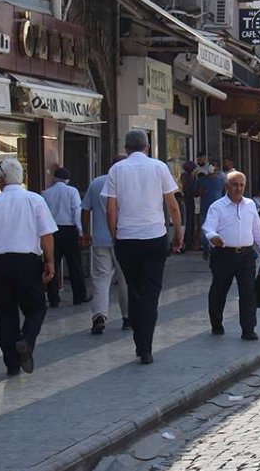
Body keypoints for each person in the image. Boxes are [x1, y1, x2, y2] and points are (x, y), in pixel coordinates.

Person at [0, 159, 57, 376]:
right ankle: (26, 340)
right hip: (28, 262)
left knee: (5, 313)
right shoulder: (35, 200)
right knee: (36, 307)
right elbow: (46, 234)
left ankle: (12, 362)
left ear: (2, 180)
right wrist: (50, 261)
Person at [102, 130, 183, 365]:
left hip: (127, 238)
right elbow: (173, 205)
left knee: (134, 289)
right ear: (147, 147)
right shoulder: (159, 167)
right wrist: (178, 234)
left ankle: (139, 338)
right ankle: (145, 346)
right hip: (154, 236)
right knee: (151, 293)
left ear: (126, 148)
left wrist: (115, 235)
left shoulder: (117, 170)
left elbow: (110, 209)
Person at [202, 171, 260, 340]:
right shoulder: (217, 207)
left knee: (248, 292)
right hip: (223, 254)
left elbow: (257, 229)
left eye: (241, 185)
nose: (238, 189)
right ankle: (216, 323)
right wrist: (213, 237)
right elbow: (208, 227)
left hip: (246, 255)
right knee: (219, 290)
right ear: (226, 186)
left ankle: (248, 329)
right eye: (234, 185)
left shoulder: (250, 205)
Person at [81, 163, 130, 335]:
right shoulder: (126, 183)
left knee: (101, 279)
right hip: (122, 238)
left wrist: (86, 232)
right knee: (125, 279)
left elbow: (85, 210)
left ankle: (99, 316)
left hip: (100, 239)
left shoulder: (96, 183)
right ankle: (127, 317)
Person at [42, 167, 88, 308]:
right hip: (69, 230)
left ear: (54, 178)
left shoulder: (46, 193)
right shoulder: (72, 191)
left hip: (52, 231)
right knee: (75, 264)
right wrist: (80, 231)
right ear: (67, 179)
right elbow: (76, 210)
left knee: (52, 263)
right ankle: (79, 296)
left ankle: (53, 298)